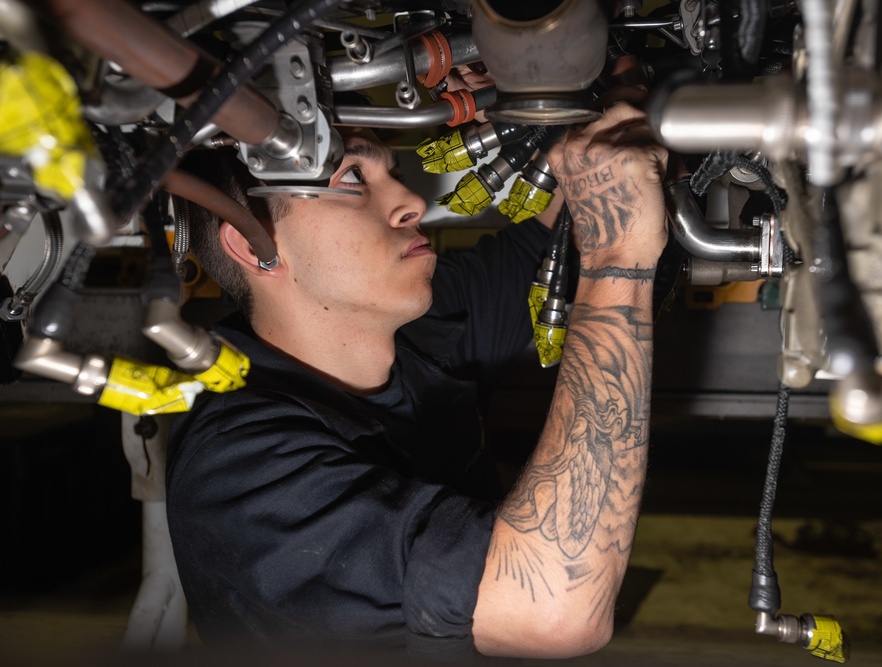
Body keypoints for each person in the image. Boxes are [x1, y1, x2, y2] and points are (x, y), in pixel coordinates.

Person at [165, 92, 669, 659]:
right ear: (255, 245)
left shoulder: (421, 332)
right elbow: (554, 607)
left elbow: (564, 221)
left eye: (394, 173)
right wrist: (619, 257)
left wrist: (538, 102)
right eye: (353, 178)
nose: (410, 202)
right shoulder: (239, 468)